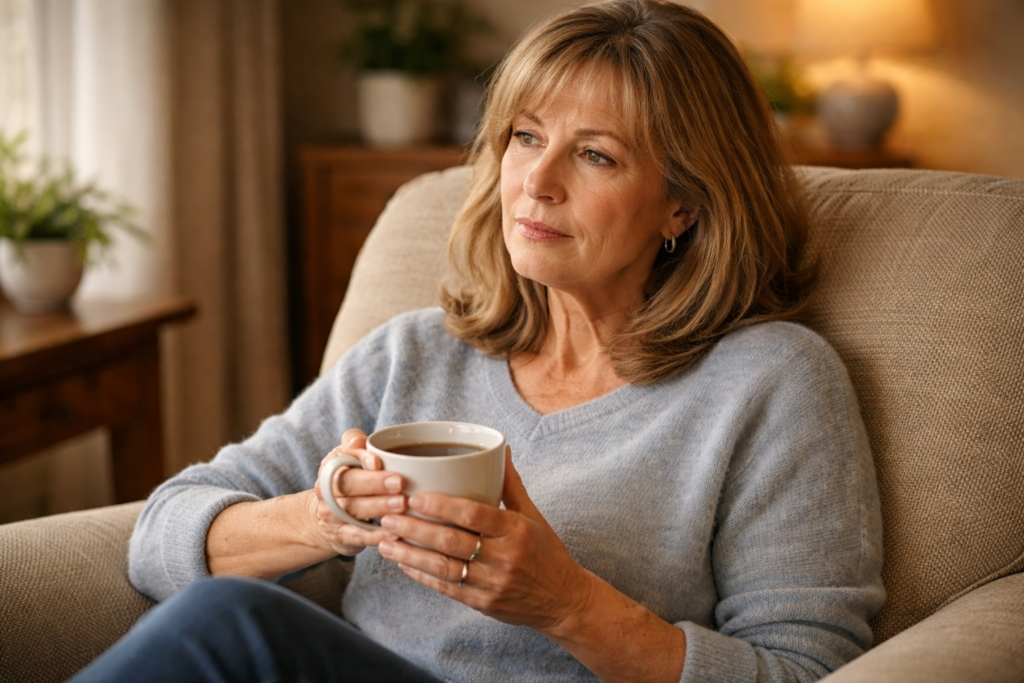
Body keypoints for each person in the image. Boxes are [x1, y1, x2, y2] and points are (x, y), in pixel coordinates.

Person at [71, 1, 884, 682]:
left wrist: (568, 603)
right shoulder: (414, 355)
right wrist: (326, 520)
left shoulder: (770, 381)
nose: (537, 179)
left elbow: (810, 666)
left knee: (230, 622)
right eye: (525, 137)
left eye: (595, 154)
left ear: (684, 205)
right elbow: (163, 532)